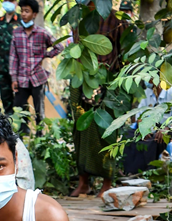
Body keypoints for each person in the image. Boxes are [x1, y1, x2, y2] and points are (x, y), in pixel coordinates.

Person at [68, 3, 127, 197]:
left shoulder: (117, 20)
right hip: (80, 79)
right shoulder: (77, 17)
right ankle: (84, 182)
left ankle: (107, 182)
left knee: (104, 132)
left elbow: (124, 56)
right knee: (80, 131)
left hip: (106, 80)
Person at [9, 0, 63, 136]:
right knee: (20, 109)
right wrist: (13, 78)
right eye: (22, 11)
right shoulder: (17, 34)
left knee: (40, 110)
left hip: (37, 78)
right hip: (21, 78)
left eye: (27, 11)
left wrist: (47, 54)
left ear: (34, 14)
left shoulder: (42, 33)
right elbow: (13, 57)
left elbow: (59, 46)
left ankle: (40, 137)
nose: (23, 14)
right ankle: (23, 135)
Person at [0, 1, 20, 114]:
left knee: (21, 102)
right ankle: (9, 126)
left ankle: (24, 128)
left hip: (18, 68)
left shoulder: (21, 21)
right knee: (6, 99)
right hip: (2, 67)